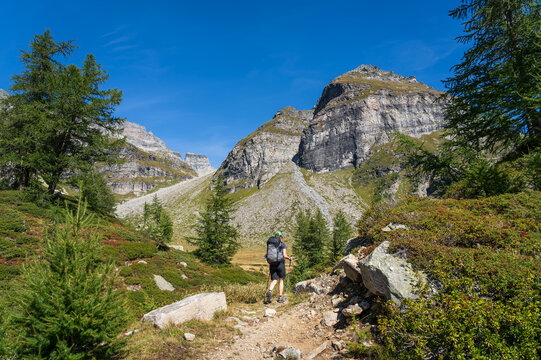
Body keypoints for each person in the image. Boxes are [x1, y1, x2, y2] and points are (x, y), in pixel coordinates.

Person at [265, 231, 292, 304]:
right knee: (281, 280)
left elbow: (267, 255)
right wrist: (289, 258)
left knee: (274, 280)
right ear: (280, 237)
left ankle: (270, 290)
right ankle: (280, 297)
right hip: (280, 263)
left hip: (272, 263)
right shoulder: (282, 244)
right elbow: (284, 255)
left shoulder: (270, 244)